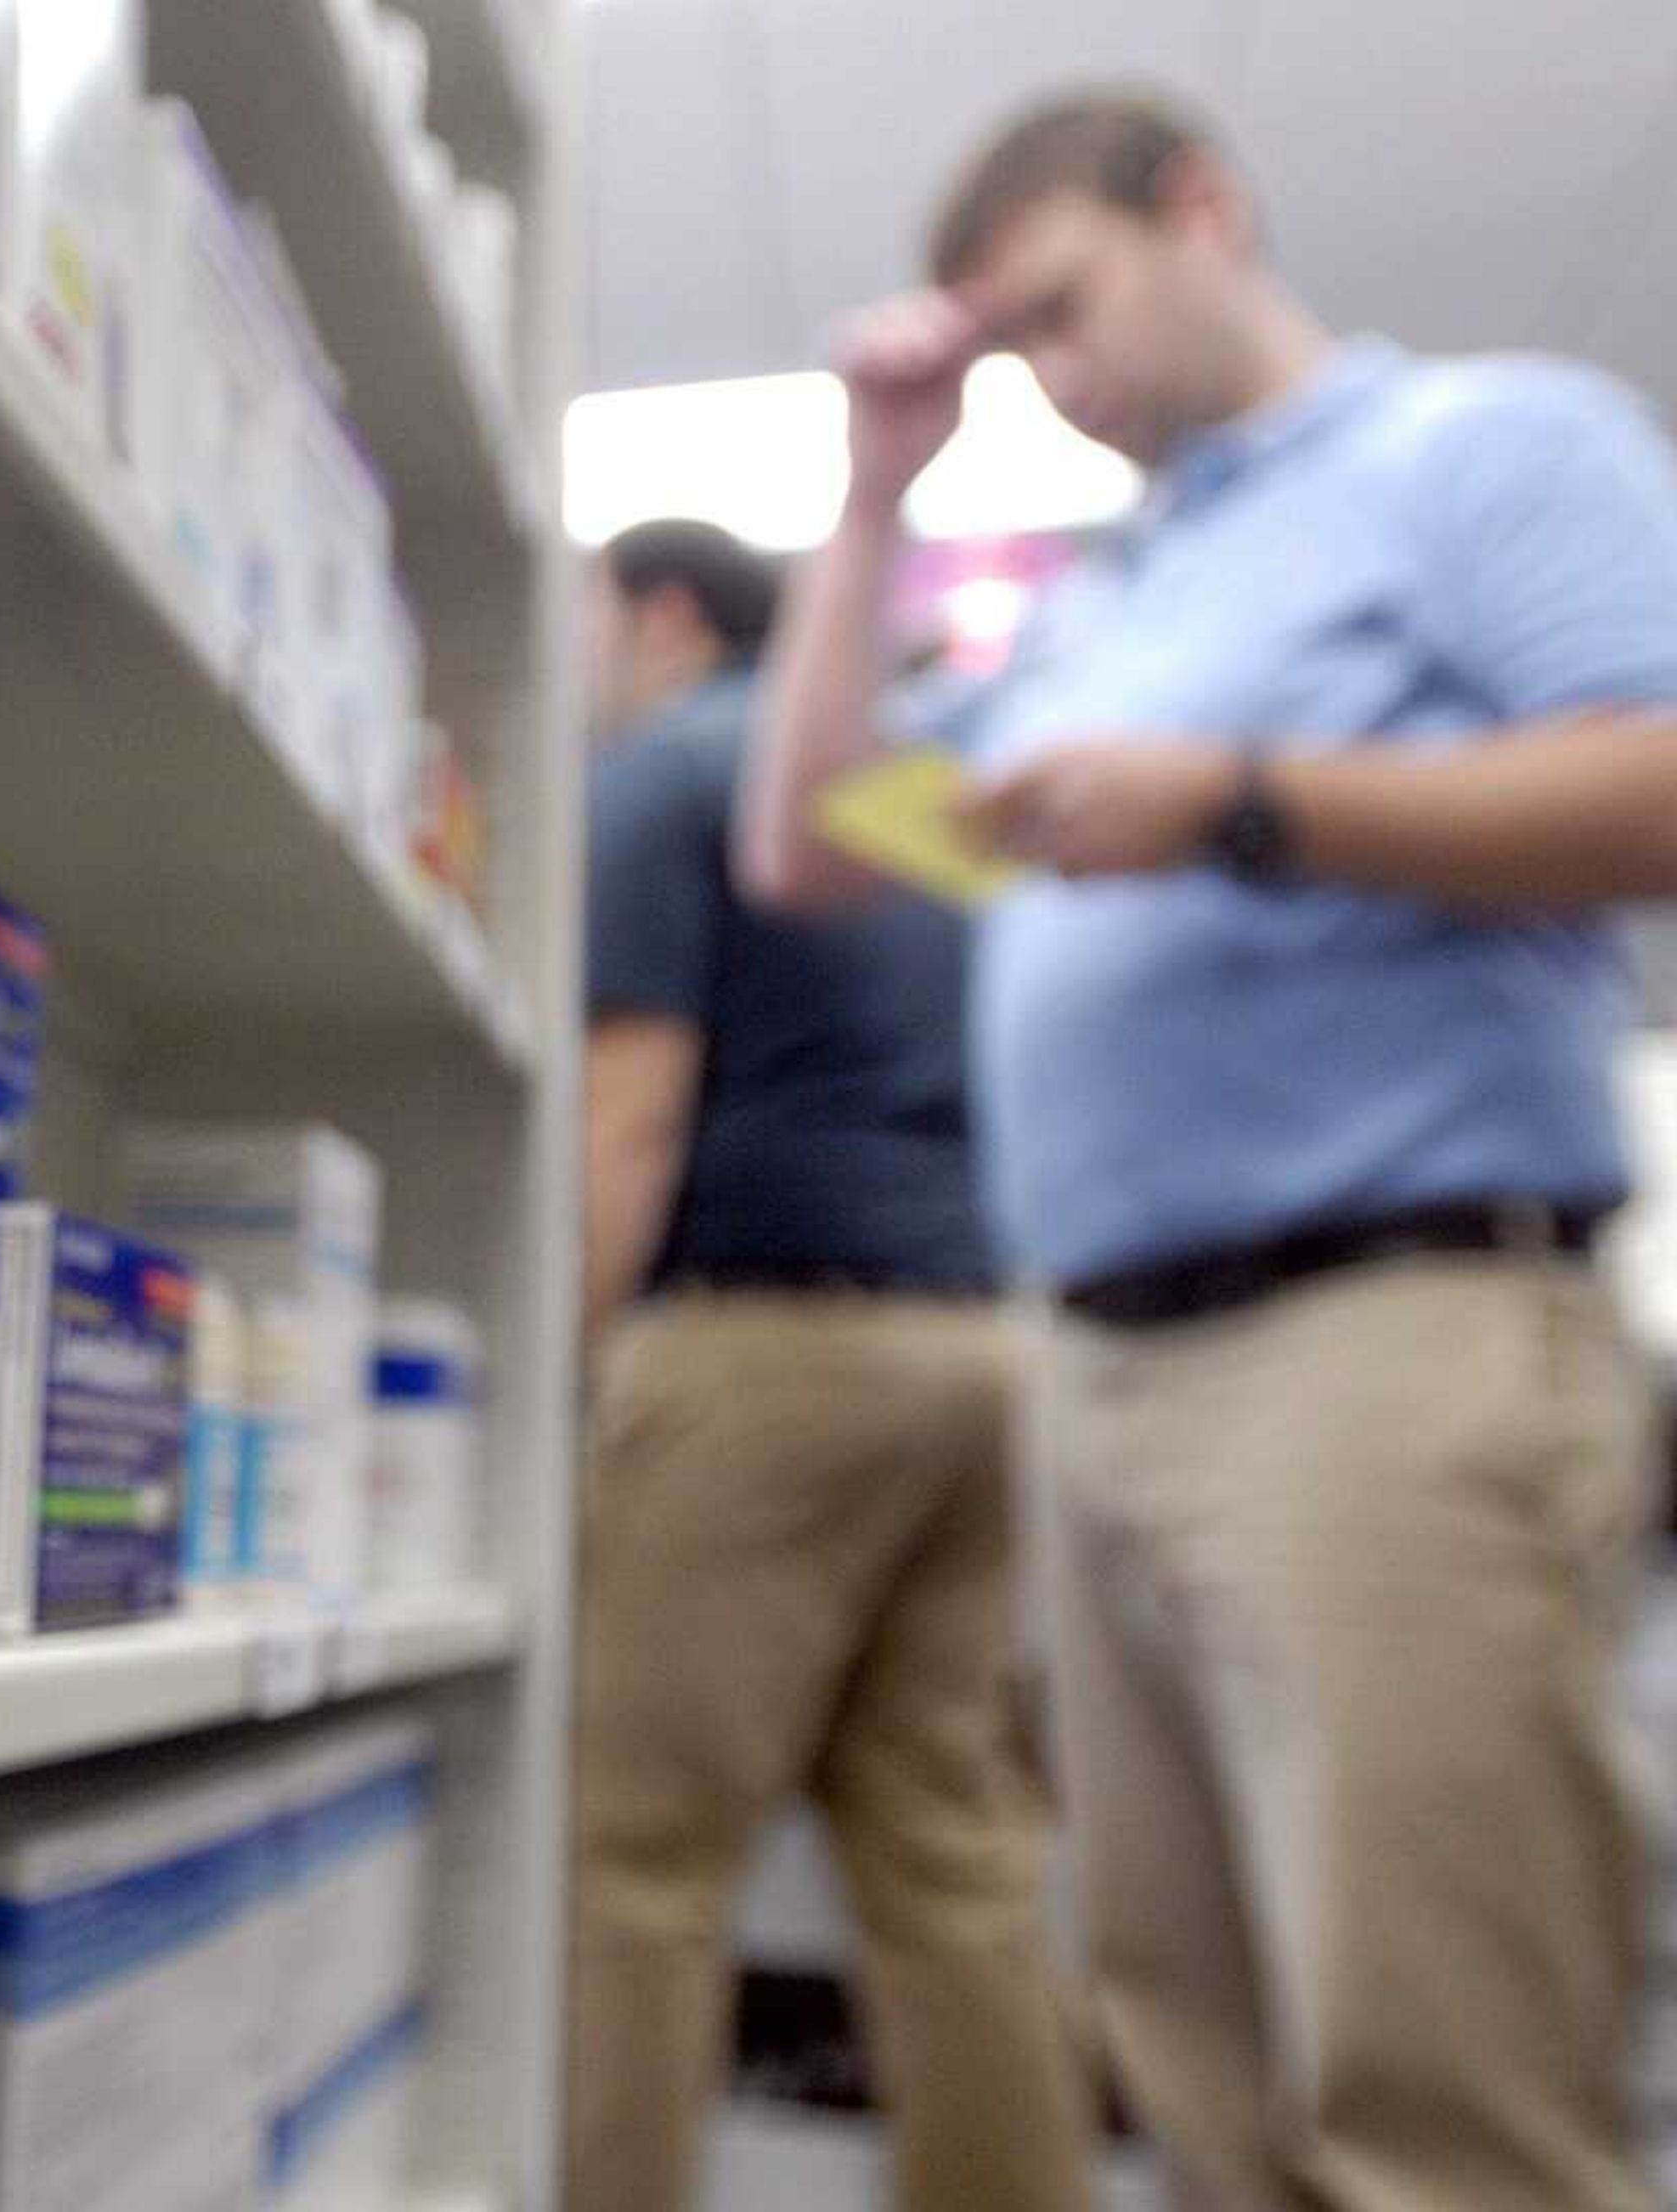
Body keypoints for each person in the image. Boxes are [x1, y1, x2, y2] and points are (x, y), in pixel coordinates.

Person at [740, 86, 1677, 2211]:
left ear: (1205, 211)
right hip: (1099, 1374)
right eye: (1011, 357)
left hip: (1386, 1343)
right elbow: (806, 846)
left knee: (1445, 2087)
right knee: (1198, 2064)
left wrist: (1246, 801)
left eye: (1066, 314)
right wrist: (878, 487)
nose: (1052, 390)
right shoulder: (1096, 602)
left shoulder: (1485, 447)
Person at [567, 519, 1095, 2211]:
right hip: (978, 1353)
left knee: (635, 1859)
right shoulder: (913, 798)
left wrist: (566, 1379)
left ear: (661, 614)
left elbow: (630, 1121)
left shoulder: (662, 776)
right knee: (952, 1865)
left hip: (769, 1355)